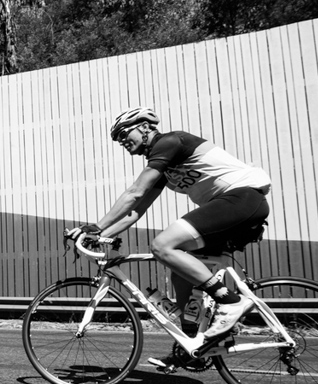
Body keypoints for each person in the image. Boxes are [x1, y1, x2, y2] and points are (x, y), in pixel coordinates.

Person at [66, 106, 271, 370]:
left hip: (241, 198)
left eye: (124, 134)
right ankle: (193, 344)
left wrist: (95, 226)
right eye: (118, 139)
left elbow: (135, 192)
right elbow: (135, 212)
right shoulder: (165, 167)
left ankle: (230, 302)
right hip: (234, 206)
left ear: (144, 127)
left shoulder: (171, 142)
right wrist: (101, 236)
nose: (122, 141)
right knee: (181, 272)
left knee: (162, 246)